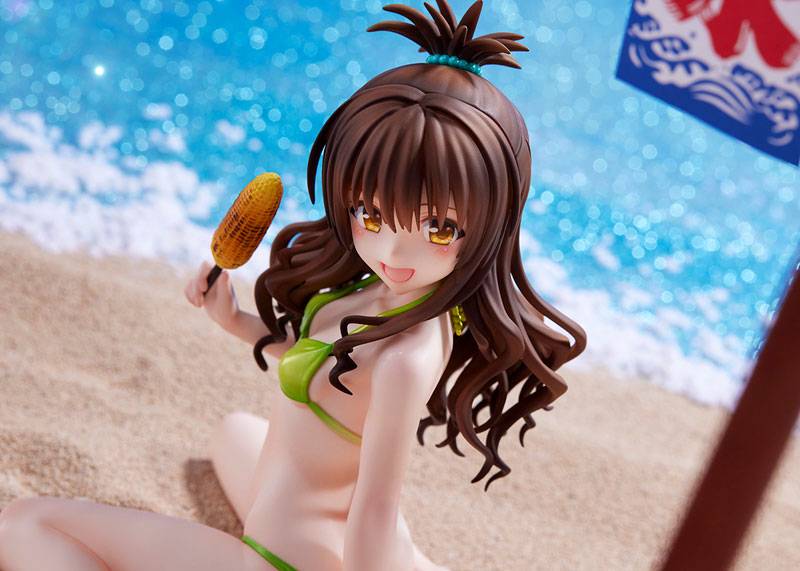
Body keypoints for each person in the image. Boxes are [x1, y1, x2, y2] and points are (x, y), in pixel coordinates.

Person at [0, 1, 586, 569]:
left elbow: (376, 510)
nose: (391, 252)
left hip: (290, 553)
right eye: (371, 214)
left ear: (491, 224)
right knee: (235, 430)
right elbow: (332, 369)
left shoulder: (407, 358)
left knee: (26, 523)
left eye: (439, 228)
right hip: (296, 506)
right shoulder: (379, 291)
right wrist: (235, 321)